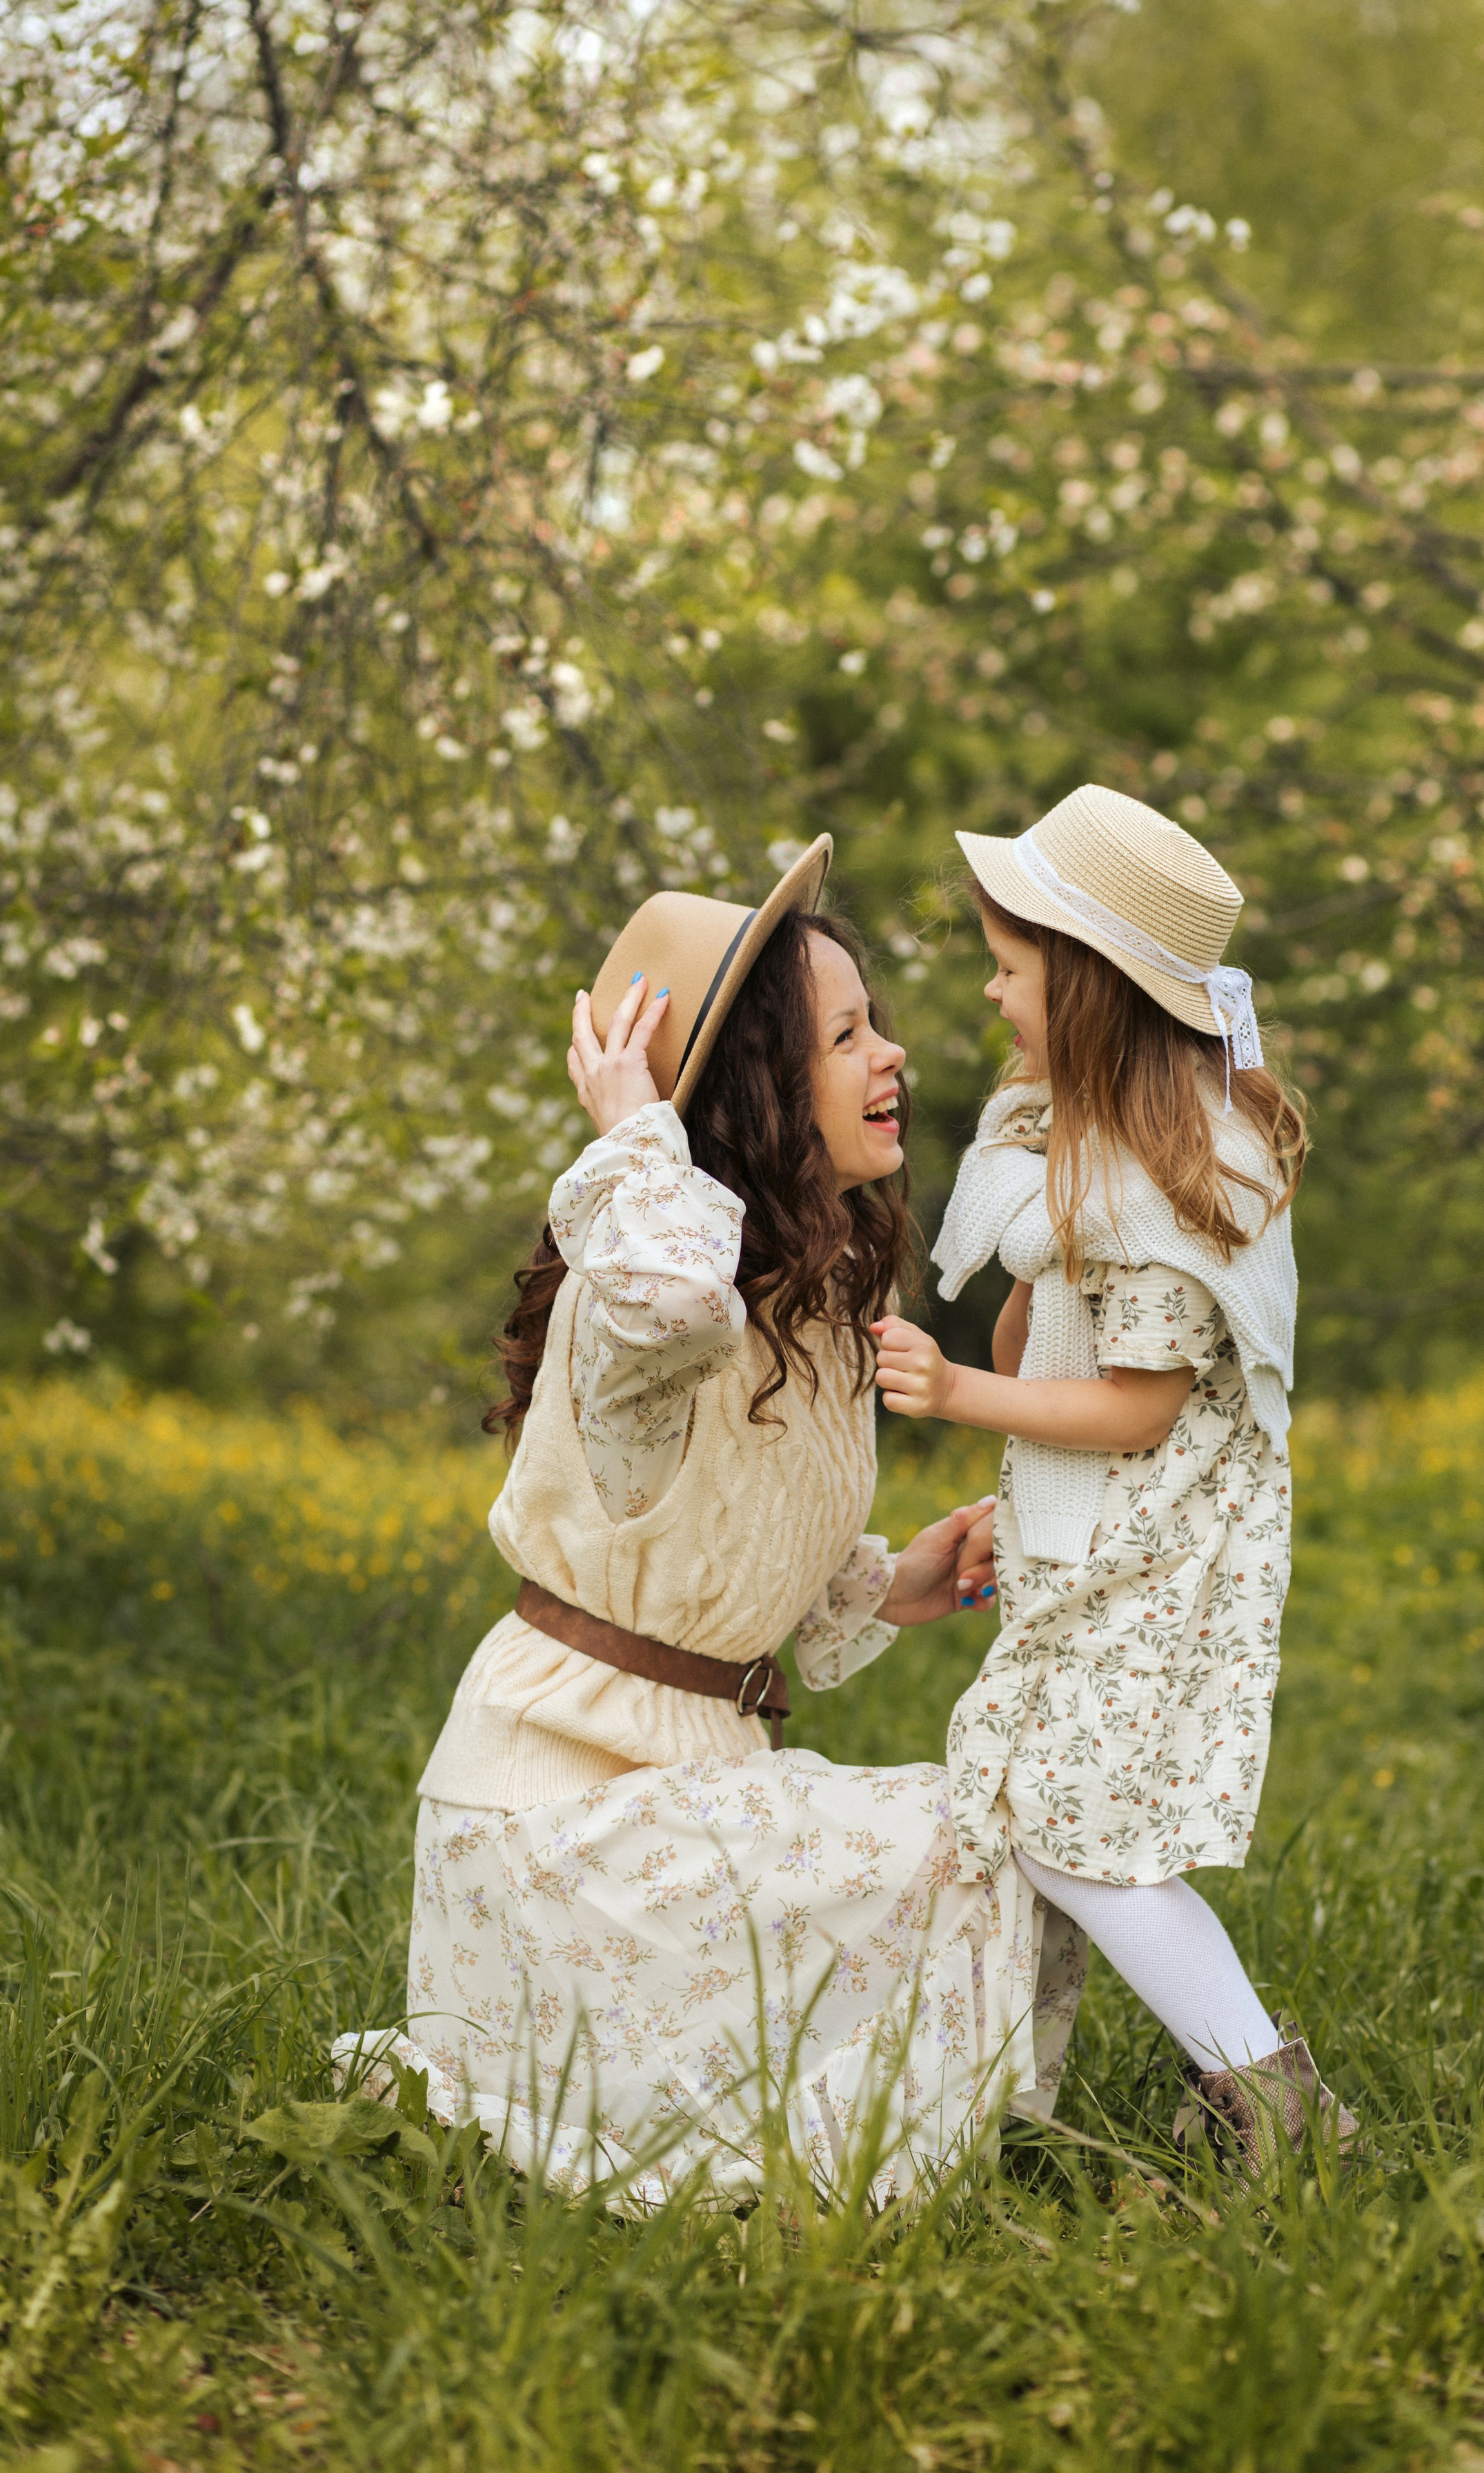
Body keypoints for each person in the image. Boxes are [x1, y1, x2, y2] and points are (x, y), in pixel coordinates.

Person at [335, 839, 1084, 2200]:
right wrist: (636, 1130)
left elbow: (710, 1550)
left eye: (877, 1023)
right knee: (980, 1836)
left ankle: (910, 2147)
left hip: (684, 1791)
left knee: (1013, 1825)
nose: (893, 1055)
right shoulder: (637, 1309)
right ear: (751, 1090)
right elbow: (668, 1302)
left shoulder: (797, 1305)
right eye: (845, 1034)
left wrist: (893, 1581)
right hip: (561, 1823)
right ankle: (868, 2167)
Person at [870, 783, 1358, 2183]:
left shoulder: (1166, 1186)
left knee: (1081, 1839)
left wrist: (962, 1391)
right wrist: (1022, 1311)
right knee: (1049, 1819)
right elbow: (1053, 1327)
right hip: (1102, 1554)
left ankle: (1271, 2102)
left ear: (1085, 989)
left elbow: (1134, 1410)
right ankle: (987, 2086)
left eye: (1010, 968)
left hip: (1153, 1566)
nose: (988, 988)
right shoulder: (1089, 1149)